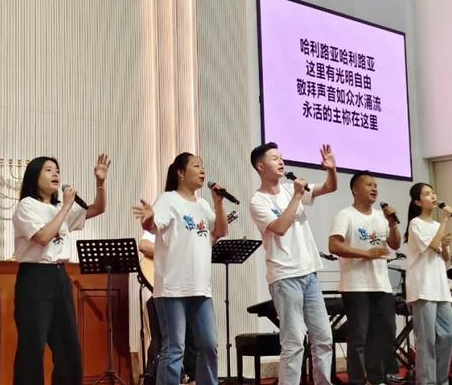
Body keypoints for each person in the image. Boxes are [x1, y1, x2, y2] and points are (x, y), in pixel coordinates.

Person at [13, 153, 111, 385]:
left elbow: (98, 208)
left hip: (60, 277)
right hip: (35, 278)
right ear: (34, 176)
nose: (55, 173)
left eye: (57, 169)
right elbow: (43, 237)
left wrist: (100, 183)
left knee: (69, 348)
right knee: (32, 348)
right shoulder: (27, 206)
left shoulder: (59, 206)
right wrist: (66, 206)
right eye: (48, 169)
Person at [132, 153, 229, 385]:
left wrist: (218, 202)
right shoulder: (168, 200)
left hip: (201, 289)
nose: (202, 170)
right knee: (174, 349)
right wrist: (148, 218)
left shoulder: (204, 205)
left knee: (209, 345)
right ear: (181, 173)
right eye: (196, 166)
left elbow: (221, 231)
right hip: (172, 289)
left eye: (203, 166)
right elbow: (152, 225)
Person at [248, 142, 337, 385]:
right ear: (260, 166)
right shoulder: (258, 201)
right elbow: (279, 227)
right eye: (275, 158)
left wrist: (331, 168)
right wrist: (297, 195)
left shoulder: (290, 188)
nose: (281, 161)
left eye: (281, 157)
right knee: (294, 341)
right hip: (284, 276)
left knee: (323, 338)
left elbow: (330, 187)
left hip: (309, 273)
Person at [328, 170, 401, 385]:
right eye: (369, 184)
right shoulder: (346, 215)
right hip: (356, 286)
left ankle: (377, 379)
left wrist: (393, 224)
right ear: (355, 189)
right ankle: (357, 381)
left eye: (376, 185)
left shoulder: (381, 216)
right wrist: (365, 254)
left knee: (384, 336)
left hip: (381, 285)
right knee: (358, 338)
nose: (374, 188)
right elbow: (334, 245)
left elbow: (395, 244)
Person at [403, 183, 452, 385]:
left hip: (440, 288)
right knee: (426, 341)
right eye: (427, 194)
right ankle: (426, 381)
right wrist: (444, 220)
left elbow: (444, 255)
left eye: (433, 192)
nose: (433, 196)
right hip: (422, 288)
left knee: (449, 334)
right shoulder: (415, 223)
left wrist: (444, 244)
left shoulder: (436, 226)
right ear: (418, 201)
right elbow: (431, 245)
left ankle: (440, 380)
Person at [139, 230, 198, 384]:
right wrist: (172, 253)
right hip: (165, 290)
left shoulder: (189, 227)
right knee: (167, 341)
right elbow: (144, 245)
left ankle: (192, 377)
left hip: (185, 288)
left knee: (193, 338)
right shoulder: (160, 221)